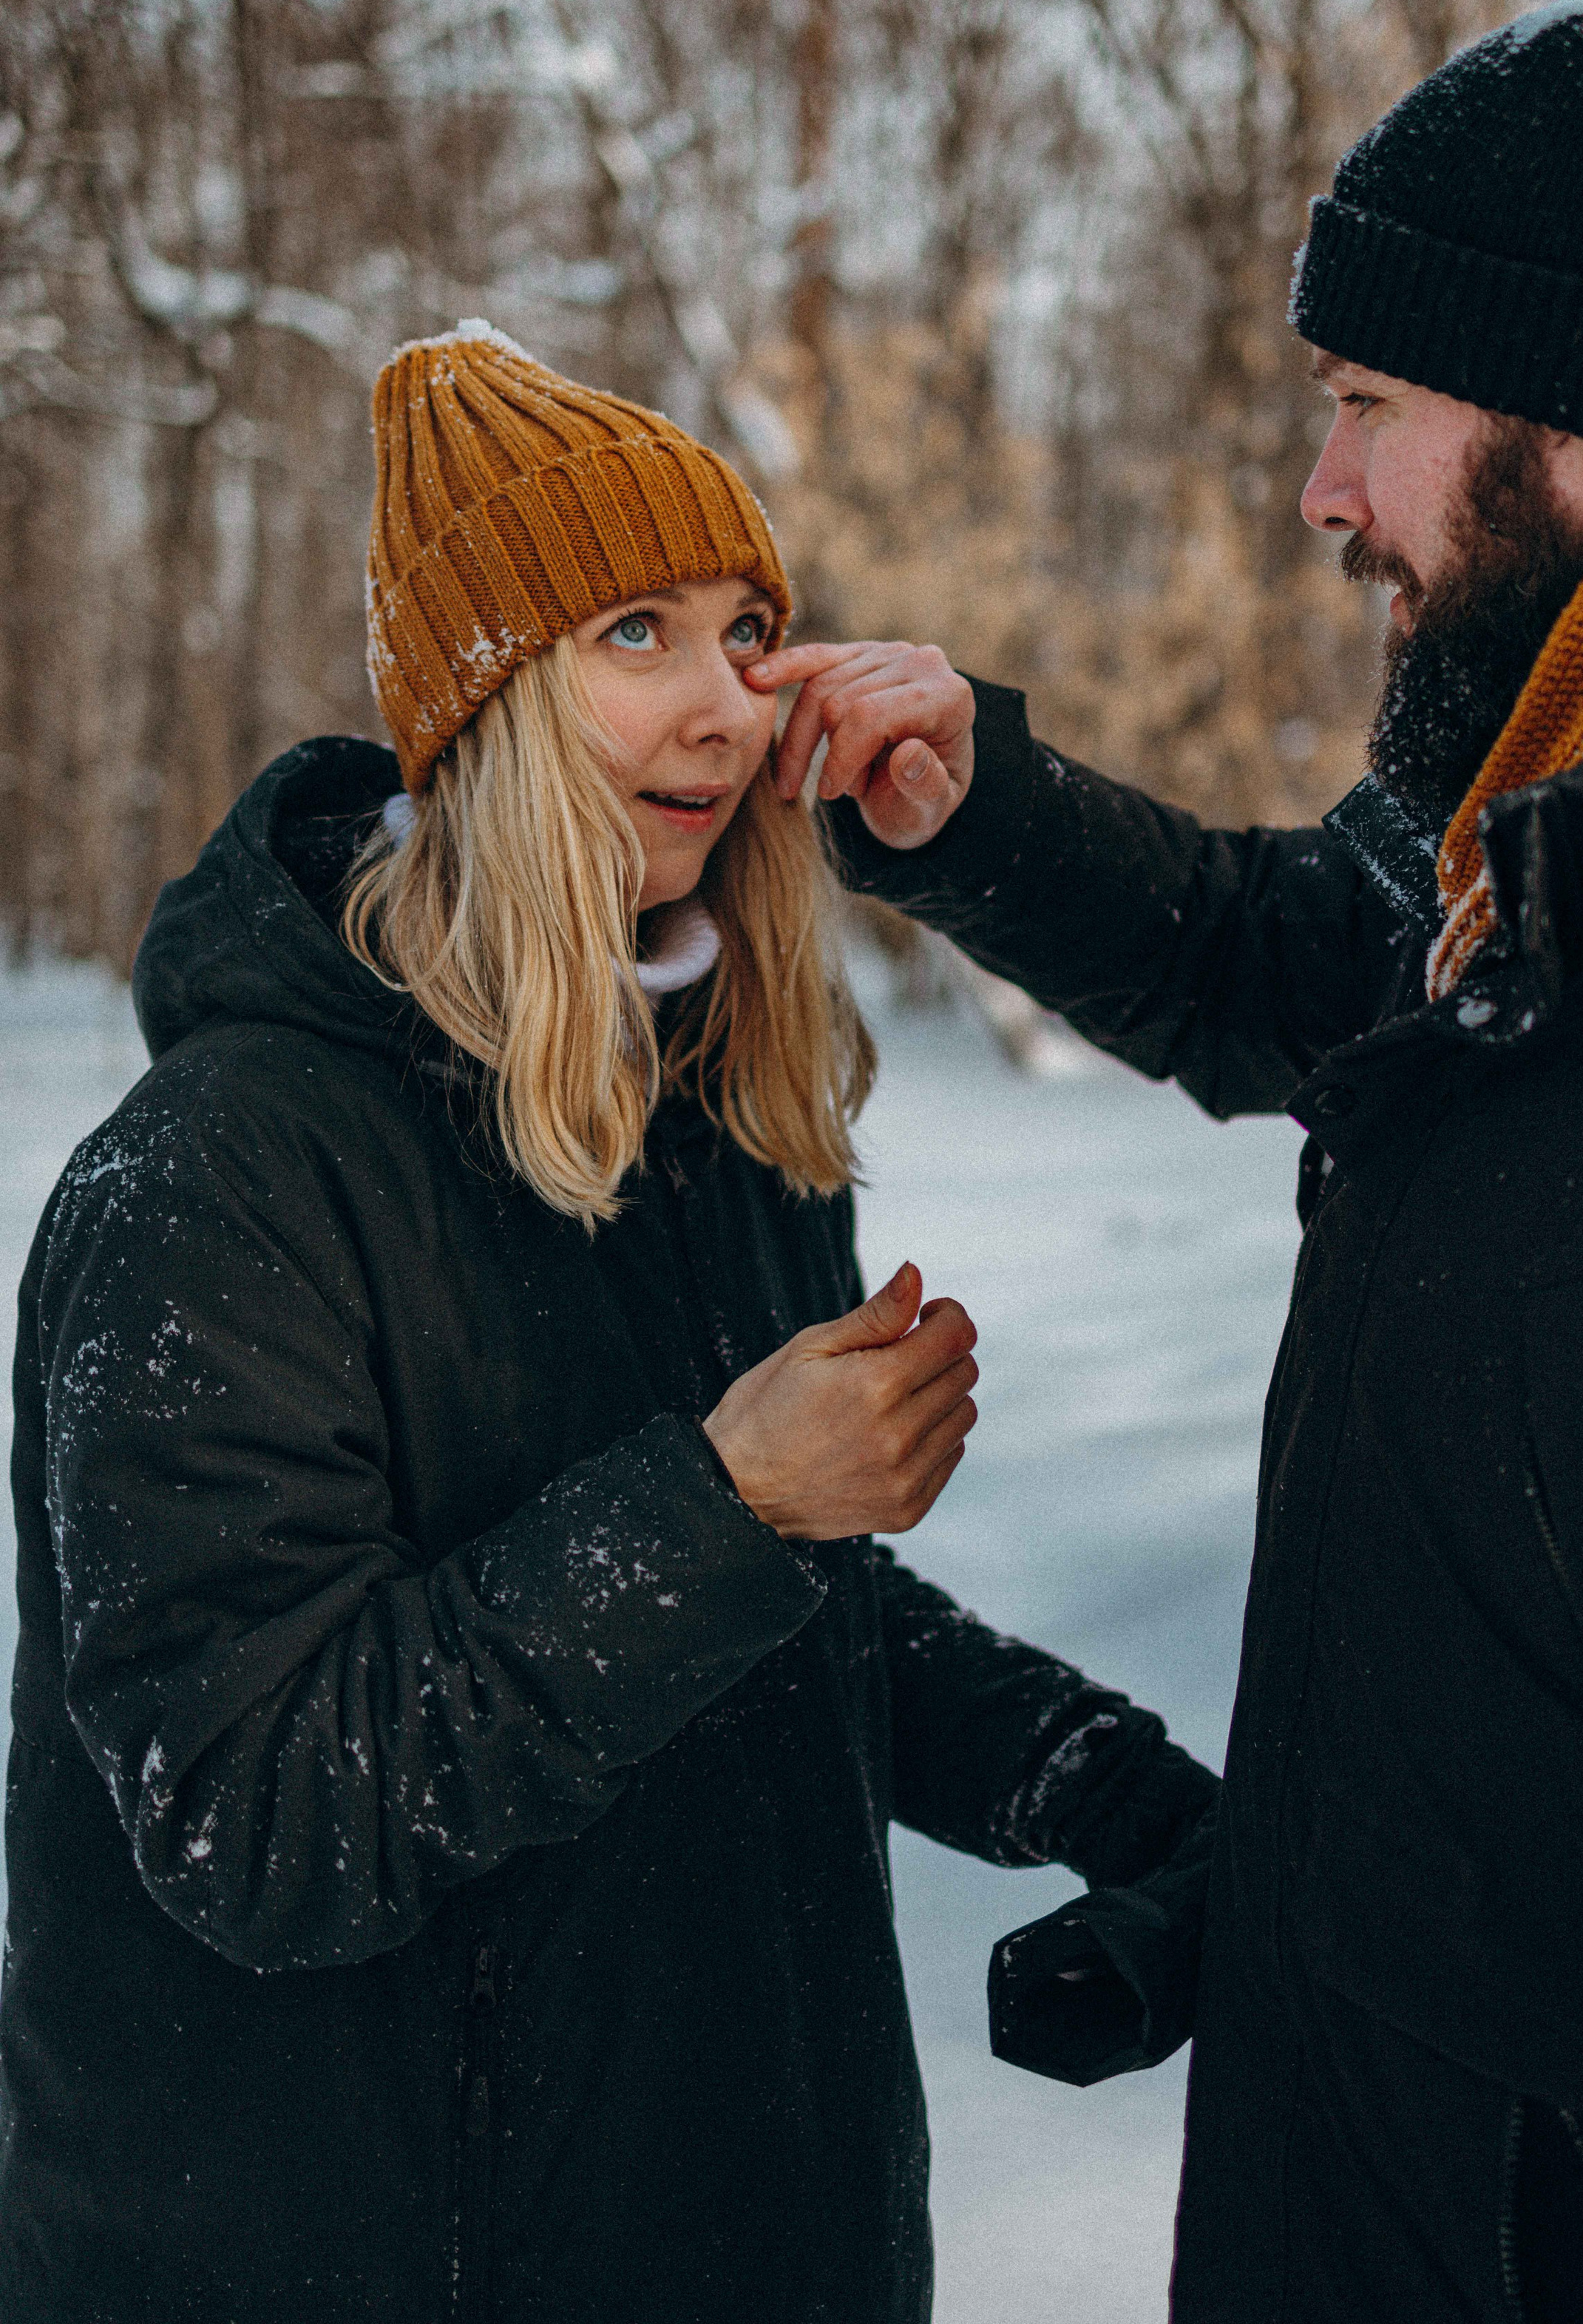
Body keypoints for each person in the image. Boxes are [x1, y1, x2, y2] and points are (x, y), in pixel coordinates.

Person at [753, 0, 1583, 2322]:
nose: (1324, 492)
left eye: (1371, 409)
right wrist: (985, 814)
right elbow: (1313, 969)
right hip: (1374, 2173)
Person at [0, 321, 1218, 2324]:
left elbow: (762, 1631)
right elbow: (258, 1810)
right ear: (476, 706)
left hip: (753, 2228)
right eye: (632, 630)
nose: (727, 704)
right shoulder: (216, 1178)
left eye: (751, 629)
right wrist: (733, 1502)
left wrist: (1107, 1787)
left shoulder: (719, 1119)